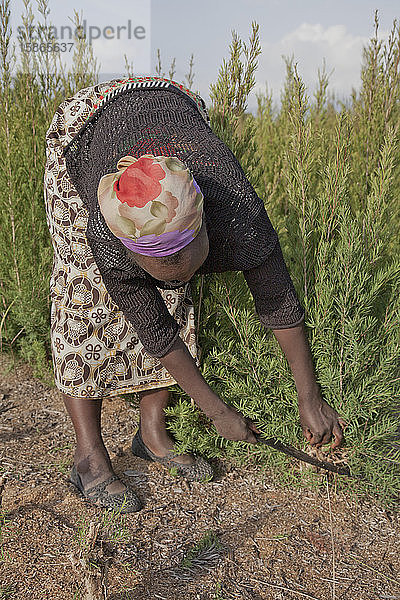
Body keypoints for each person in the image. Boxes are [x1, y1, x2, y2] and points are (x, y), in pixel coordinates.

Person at [44, 75, 344, 513]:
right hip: (87, 130)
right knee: (84, 298)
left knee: (177, 300)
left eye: (190, 261)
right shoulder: (108, 237)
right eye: (159, 268)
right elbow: (155, 330)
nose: (178, 275)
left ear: (206, 226)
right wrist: (216, 411)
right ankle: (88, 457)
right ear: (129, 252)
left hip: (170, 107)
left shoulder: (236, 209)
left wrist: (309, 397)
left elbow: (278, 302)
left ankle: (152, 433)